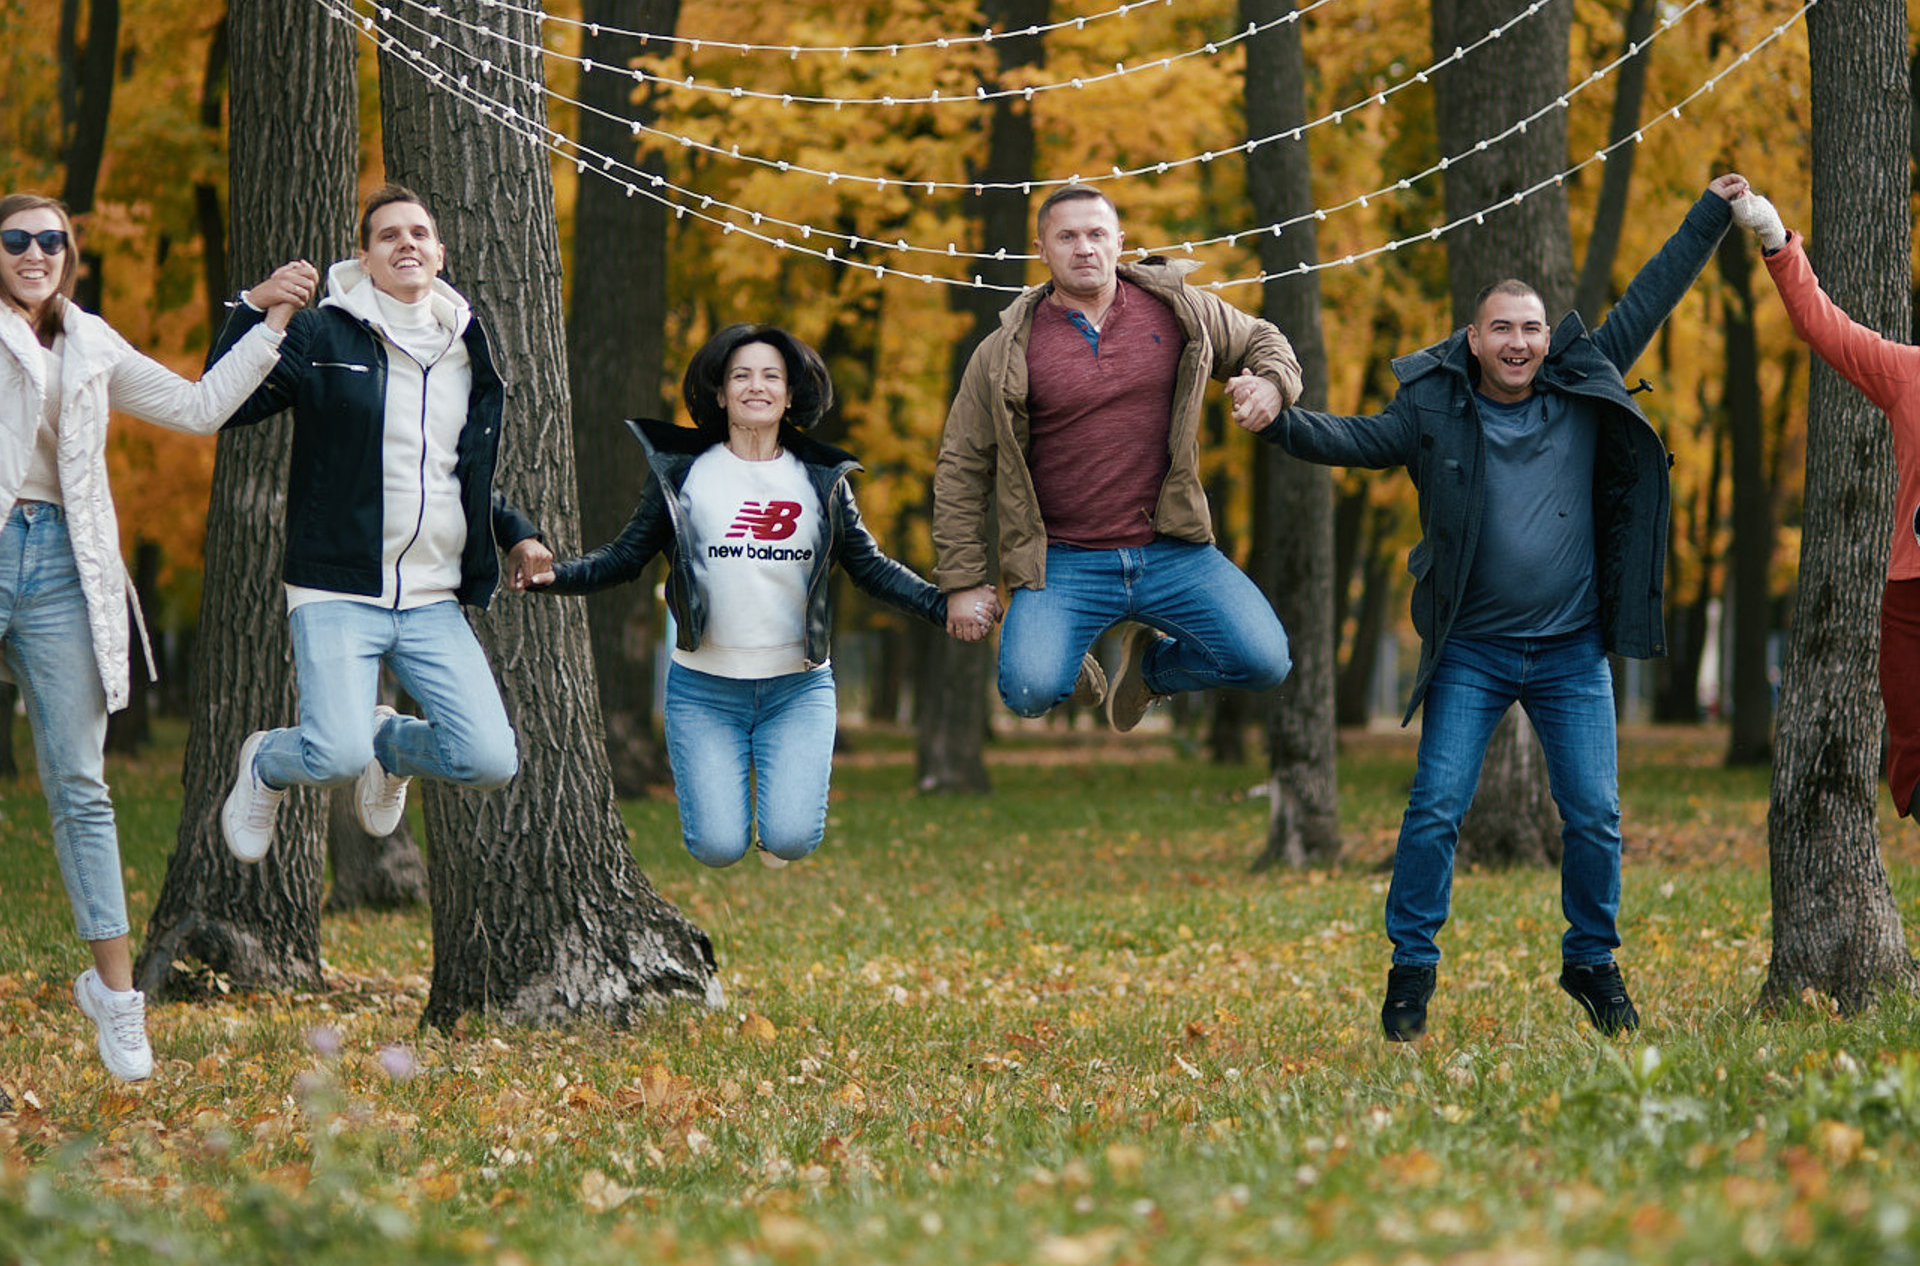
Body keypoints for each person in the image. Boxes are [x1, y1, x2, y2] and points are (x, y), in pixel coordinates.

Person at [1263, 175, 1746, 1043]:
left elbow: (1652, 294)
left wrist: (1710, 212)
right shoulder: (1433, 408)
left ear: (1546, 338)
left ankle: (1591, 960)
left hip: (1571, 652)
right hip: (1473, 653)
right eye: (1502, 329)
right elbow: (1354, 439)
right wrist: (1275, 420)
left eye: (1530, 328)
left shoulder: (1585, 377)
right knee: (1435, 810)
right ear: (1474, 340)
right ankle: (1411, 968)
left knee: (1595, 816)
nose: (1518, 342)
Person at [0, 192, 314, 1080]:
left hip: (64, 565)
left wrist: (265, 316)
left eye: (51, 239)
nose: (35, 252)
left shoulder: (92, 342)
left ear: (71, 253)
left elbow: (199, 406)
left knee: (81, 783)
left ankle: (115, 997)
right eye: (16, 239)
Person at [212, 184, 552, 865]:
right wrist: (253, 308)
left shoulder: (466, 347)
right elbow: (226, 400)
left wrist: (515, 529)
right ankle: (267, 762)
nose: (406, 244)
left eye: (419, 233)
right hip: (336, 588)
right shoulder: (321, 332)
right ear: (364, 259)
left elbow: (455, 470)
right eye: (389, 235)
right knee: (336, 757)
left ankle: (391, 746)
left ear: (439, 253)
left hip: (431, 597)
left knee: (490, 759)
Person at [530, 324, 949, 866]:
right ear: (721, 393)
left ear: (790, 394)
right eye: (741, 376)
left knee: (793, 838)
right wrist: (557, 576)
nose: (757, 386)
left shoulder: (823, 479)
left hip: (797, 689)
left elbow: (872, 569)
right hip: (704, 690)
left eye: (772, 376)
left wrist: (943, 606)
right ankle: (743, 826)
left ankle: (780, 829)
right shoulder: (682, 474)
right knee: (717, 847)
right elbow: (624, 557)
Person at [933, 182, 1300, 733]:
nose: (1084, 248)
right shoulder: (1005, 349)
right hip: (1063, 561)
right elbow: (962, 465)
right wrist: (962, 580)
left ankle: (1153, 668)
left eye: (1097, 234)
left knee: (1265, 662)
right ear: (1042, 250)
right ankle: (1062, 653)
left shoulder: (1179, 309)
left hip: (1173, 550)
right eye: (1067, 237)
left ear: (1119, 242)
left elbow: (1262, 339)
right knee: (1031, 690)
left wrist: (1273, 384)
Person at [1732, 186, 1920, 822]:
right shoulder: (1910, 374)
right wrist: (1776, 239)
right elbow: (1823, 326)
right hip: (1911, 599)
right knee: (1914, 768)